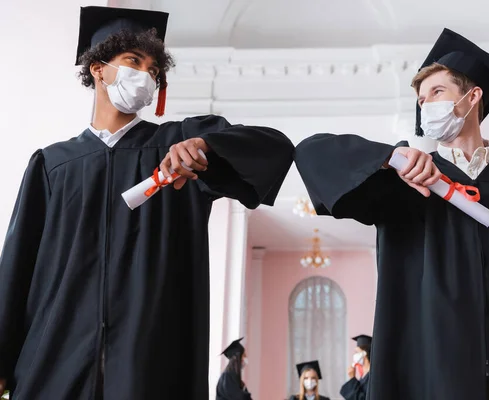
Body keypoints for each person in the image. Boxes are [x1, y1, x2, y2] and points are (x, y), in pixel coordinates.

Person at [0, 6, 294, 399]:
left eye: (154, 70)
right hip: (55, 359)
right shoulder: (54, 165)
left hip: (149, 362)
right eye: (133, 61)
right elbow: (17, 269)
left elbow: (275, 147)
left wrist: (206, 145)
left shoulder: (178, 147)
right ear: (98, 68)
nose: (145, 76)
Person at [295, 28, 489, 400]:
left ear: (472, 98)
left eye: (437, 92)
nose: (426, 105)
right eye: (421, 100)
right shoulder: (405, 183)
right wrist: (392, 157)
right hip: (433, 372)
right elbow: (310, 153)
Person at [340, 335, 371, 400]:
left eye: (357, 352)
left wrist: (352, 378)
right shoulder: (363, 377)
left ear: (364, 353)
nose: (354, 355)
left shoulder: (372, 377)